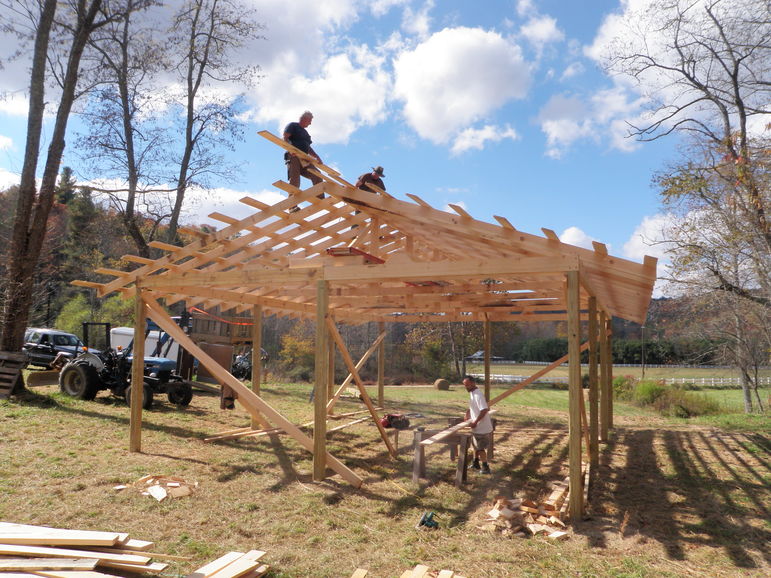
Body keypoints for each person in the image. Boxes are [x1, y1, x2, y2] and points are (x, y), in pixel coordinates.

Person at [283, 111, 323, 207]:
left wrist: (316, 156)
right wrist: (290, 149)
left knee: (317, 174)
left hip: (304, 158)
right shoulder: (293, 126)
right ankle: (292, 205)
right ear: (304, 119)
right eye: (310, 121)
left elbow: (308, 147)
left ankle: (320, 199)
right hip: (294, 156)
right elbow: (285, 137)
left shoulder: (305, 133)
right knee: (295, 179)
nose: (310, 123)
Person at [463, 375, 493, 474]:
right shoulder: (472, 393)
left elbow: (484, 410)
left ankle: (486, 468)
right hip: (477, 427)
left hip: (482, 428)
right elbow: (473, 406)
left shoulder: (478, 395)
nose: (466, 387)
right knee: (475, 445)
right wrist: (467, 413)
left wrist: (475, 422)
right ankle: (476, 463)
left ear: (473, 383)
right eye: (465, 385)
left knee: (480, 448)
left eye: (467, 385)